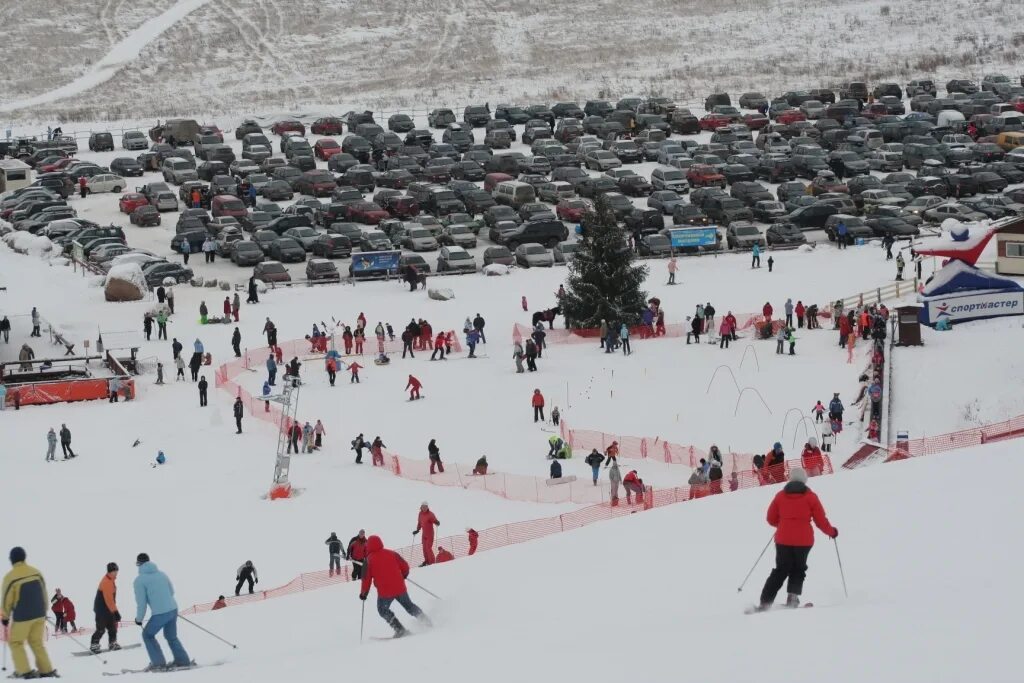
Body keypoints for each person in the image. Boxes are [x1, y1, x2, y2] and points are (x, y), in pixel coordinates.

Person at [755, 468, 837, 611]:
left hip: (783, 540)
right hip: (804, 541)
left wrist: (782, 525)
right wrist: (832, 532)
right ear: (804, 480)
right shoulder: (811, 497)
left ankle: (765, 602)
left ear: (791, 479)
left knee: (780, 570)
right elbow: (820, 520)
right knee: (798, 569)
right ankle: (792, 598)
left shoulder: (780, 496)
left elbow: (770, 518)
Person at [359, 535, 432, 638]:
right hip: (400, 588)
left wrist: (364, 593)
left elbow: (366, 579)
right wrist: (404, 574)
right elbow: (405, 566)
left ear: (368, 546)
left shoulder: (368, 560)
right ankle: (427, 622)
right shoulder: (392, 553)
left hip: (385, 592)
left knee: (383, 610)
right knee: (409, 606)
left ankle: (400, 630)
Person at [2, 547, 57, 679]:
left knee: (16, 642)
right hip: (39, 614)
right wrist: (44, 610)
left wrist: (4, 616)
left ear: (12, 560)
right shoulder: (36, 573)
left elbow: (6, 599)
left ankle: (24, 671)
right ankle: (46, 670)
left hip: (23, 616)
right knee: (36, 642)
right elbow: (44, 593)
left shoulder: (10, 577)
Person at [134, 553, 191, 671]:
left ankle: (158, 663)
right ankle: (183, 661)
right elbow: (171, 592)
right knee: (171, 636)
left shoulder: (139, 580)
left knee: (147, 635)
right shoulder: (162, 574)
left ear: (138, 564)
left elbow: (142, 603)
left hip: (160, 614)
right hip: (173, 609)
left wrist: (139, 619)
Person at [90, 562, 121, 653]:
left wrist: (113, 611)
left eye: (116, 571)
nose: (116, 573)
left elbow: (111, 600)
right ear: (109, 572)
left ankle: (112, 643)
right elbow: (109, 599)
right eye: (114, 571)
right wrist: (115, 612)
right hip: (101, 610)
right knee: (101, 629)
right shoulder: (106, 582)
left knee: (112, 627)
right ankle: (94, 645)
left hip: (108, 609)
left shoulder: (111, 580)